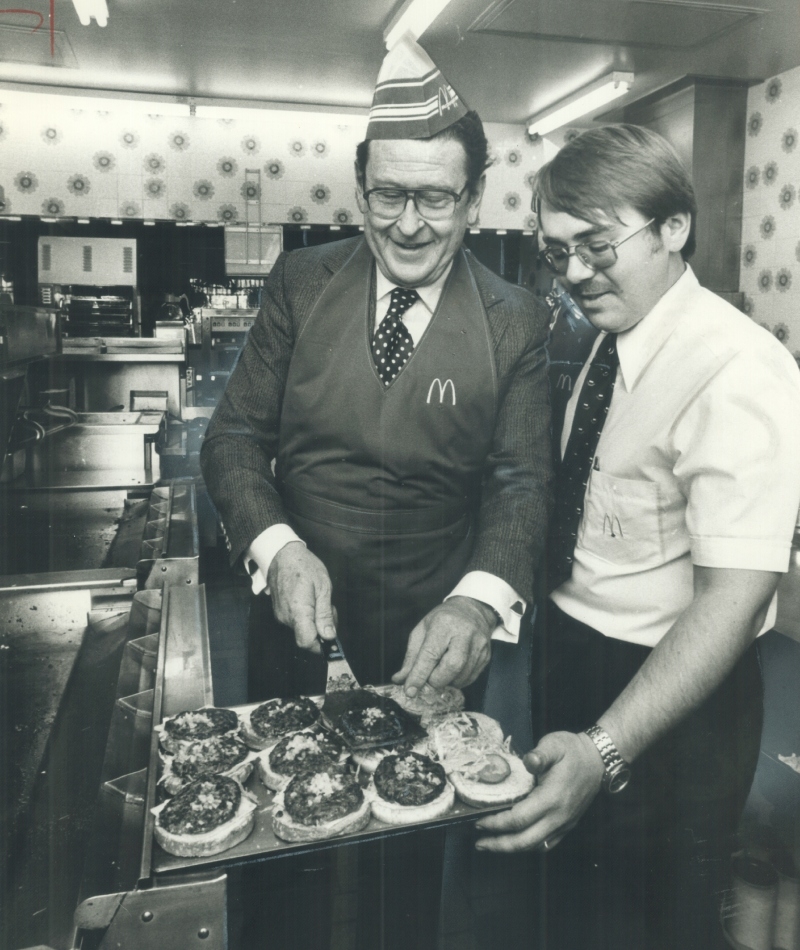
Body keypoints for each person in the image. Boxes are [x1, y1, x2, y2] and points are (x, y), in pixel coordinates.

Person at [200, 36, 551, 950]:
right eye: (389, 195)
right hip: (296, 628)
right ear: (360, 192)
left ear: (475, 201)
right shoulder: (301, 282)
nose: (408, 223)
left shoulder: (517, 321)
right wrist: (277, 548)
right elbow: (233, 439)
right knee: (285, 852)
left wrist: (478, 604)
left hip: (427, 648)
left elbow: (521, 486)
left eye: (436, 198)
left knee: (405, 866)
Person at [475, 124, 800, 950]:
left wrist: (605, 750)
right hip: (574, 660)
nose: (576, 273)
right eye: (557, 252)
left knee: (653, 927)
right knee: (575, 911)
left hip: (676, 704)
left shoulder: (741, 368)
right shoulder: (607, 340)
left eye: (597, 245)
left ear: (674, 228)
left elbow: (736, 597)